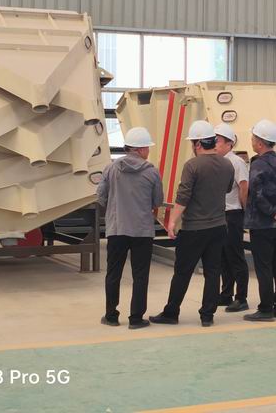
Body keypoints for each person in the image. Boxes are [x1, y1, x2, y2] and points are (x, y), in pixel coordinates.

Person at [150, 120, 234, 327]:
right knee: (213, 272)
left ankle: (171, 312)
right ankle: (207, 315)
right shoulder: (227, 164)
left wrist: (172, 221)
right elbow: (226, 189)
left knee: (182, 272)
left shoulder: (192, 165)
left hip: (194, 228)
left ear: (197, 143)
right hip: (218, 227)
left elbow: (183, 197)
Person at [97, 127, 164, 330]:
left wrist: (115, 207)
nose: (148, 152)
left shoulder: (111, 169)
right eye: (148, 148)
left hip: (117, 229)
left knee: (113, 273)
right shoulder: (152, 172)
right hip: (142, 231)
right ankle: (136, 318)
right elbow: (158, 201)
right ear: (141, 149)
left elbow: (101, 196)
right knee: (140, 275)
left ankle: (111, 315)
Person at [243, 119, 276, 322]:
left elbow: (257, 195)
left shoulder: (258, 164)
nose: (251, 141)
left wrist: (274, 213)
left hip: (262, 224)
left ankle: (265, 309)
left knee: (264, 267)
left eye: (253, 138)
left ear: (260, 142)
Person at [214, 123, 250, 312]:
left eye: (218, 141)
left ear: (229, 143)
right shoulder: (218, 161)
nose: (215, 144)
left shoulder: (236, 162)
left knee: (235, 256)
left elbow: (244, 187)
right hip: (220, 214)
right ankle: (226, 294)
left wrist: (244, 211)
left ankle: (241, 297)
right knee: (223, 257)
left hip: (233, 213)